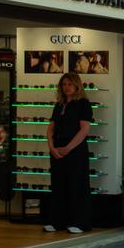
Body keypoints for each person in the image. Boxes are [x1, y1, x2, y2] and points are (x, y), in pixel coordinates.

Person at [45, 72, 93, 234]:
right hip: (57, 148)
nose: (67, 87)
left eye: (70, 84)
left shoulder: (83, 104)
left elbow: (84, 130)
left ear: (77, 85)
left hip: (75, 149)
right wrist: (52, 147)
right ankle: (57, 221)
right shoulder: (59, 105)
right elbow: (50, 129)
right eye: (64, 84)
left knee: (77, 185)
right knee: (58, 185)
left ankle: (79, 222)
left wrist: (68, 148)